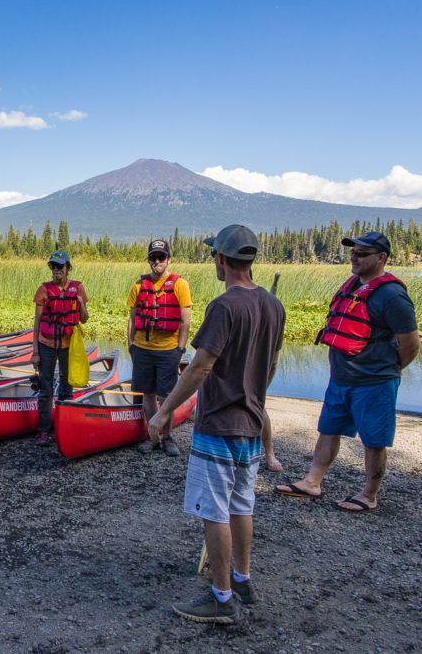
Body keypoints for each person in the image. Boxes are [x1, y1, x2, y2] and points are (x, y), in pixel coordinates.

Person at [147, 225, 285, 624]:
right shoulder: (273, 305)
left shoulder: (225, 307)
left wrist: (165, 410)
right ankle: (242, 579)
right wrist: (255, 396)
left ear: (222, 260)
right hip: (251, 425)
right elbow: (271, 363)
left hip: (220, 424)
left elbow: (202, 365)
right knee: (243, 505)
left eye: (214, 257)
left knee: (215, 512)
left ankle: (221, 597)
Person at [276, 231, 419, 513]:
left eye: (362, 253)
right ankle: (312, 481)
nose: (354, 257)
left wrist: (387, 369)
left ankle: (369, 494)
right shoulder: (353, 285)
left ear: (381, 258)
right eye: (353, 252)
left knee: (374, 440)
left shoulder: (392, 296)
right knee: (328, 429)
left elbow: (411, 344)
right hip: (341, 377)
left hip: (374, 381)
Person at [128, 238, 191, 456]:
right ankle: (152, 437)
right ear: (149, 260)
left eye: (161, 257)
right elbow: (132, 318)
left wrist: (179, 349)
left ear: (168, 259)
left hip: (168, 351)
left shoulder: (180, 285)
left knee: (166, 397)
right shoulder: (138, 286)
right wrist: (131, 345)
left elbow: (186, 321)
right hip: (142, 349)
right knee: (148, 394)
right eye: (153, 257)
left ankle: (168, 437)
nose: (157, 261)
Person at [31, 249, 89, 445]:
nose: (56, 270)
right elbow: (37, 323)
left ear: (67, 268)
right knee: (45, 387)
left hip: (68, 345)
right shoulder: (44, 290)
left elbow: (85, 319)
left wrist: (80, 303)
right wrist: (35, 352)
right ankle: (44, 430)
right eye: (53, 267)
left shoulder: (78, 289)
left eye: (60, 267)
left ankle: (65, 426)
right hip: (46, 344)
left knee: (66, 385)